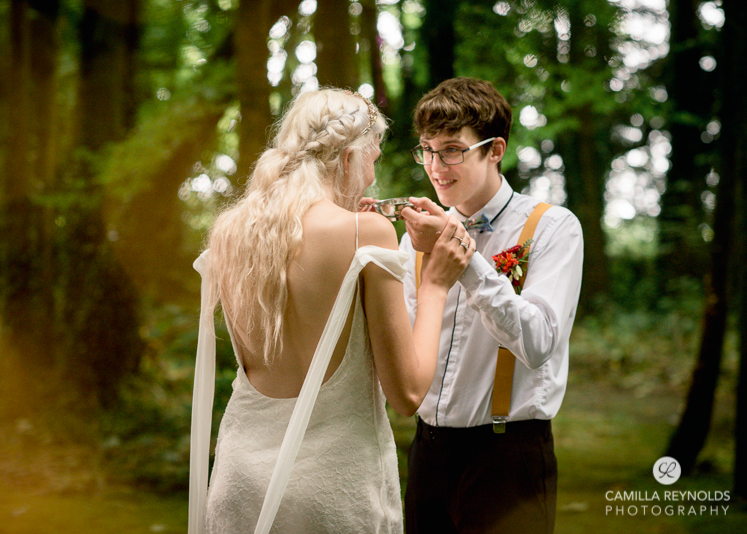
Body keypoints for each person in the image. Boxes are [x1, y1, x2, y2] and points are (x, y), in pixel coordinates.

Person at [187, 88, 475, 534]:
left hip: (239, 483)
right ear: (349, 158)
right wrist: (435, 283)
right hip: (330, 492)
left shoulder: (231, 233)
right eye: (373, 159)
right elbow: (408, 395)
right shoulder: (367, 233)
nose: (371, 179)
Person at [398, 78, 584, 533]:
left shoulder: (552, 227)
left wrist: (466, 263)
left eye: (452, 150)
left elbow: (538, 341)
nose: (435, 166)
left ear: (495, 149)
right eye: (426, 149)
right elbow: (403, 342)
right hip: (427, 452)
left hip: (508, 456)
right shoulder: (414, 238)